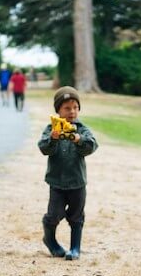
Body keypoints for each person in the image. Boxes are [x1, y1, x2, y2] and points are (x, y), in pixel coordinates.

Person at [38, 86, 98, 261]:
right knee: (53, 215)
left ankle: (75, 247)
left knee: (76, 215)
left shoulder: (82, 129)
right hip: (56, 182)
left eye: (75, 107)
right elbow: (43, 148)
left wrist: (79, 139)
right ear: (58, 110)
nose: (72, 112)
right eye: (67, 108)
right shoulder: (51, 129)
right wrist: (53, 139)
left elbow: (92, 146)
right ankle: (50, 239)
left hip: (77, 182)